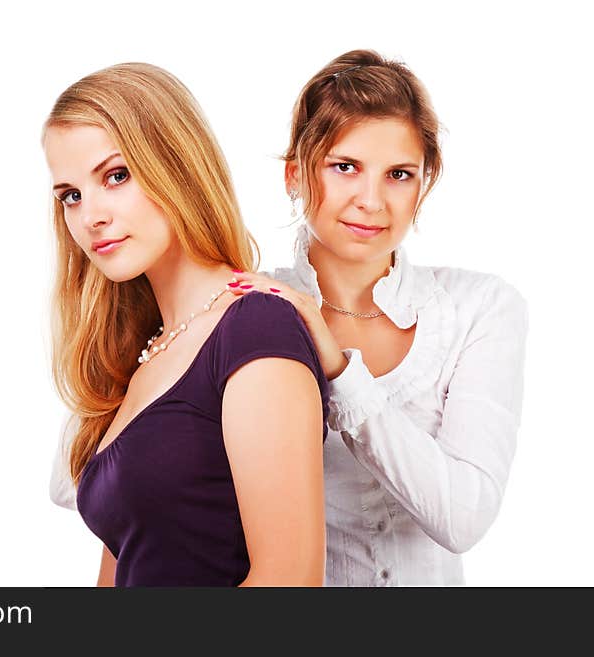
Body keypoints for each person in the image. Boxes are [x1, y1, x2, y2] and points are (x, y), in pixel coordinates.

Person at [50, 50, 528, 587]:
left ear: (426, 182)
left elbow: (464, 517)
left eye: (399, 174)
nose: (370, 200)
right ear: (294, 176)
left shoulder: (477, 308)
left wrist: (342, 373)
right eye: (344, 167)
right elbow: (105, 486)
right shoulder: (246, 307)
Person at [42, 63, 330, 586]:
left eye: (116, 176)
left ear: (174, 164)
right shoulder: (139, 358)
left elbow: (289, 583)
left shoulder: (255, 329)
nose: (90, 216)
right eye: (70, 195)